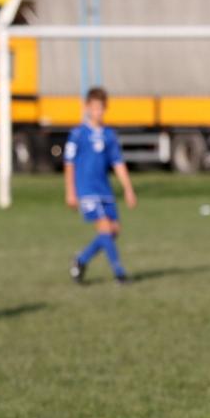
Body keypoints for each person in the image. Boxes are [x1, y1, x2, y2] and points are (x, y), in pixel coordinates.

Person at [66, 87, 137, 284]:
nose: (98, 112)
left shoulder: (109, 134)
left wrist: (128, 189)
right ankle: (119, 273)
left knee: (114, 230)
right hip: (86, 189)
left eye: (101, 108)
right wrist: (71, 192)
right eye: (95, 108)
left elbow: (118, 163)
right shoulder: (78, 134)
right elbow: (69, 164)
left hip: (104, 189)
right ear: (87, 107)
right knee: (105, 227)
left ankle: (80, 260)